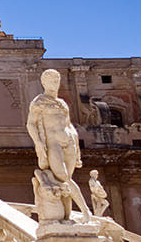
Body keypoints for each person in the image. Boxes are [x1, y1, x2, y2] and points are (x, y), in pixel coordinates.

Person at [26, 69, 92, 223]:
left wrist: (77, 146)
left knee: (64, 181)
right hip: (53, 143)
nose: (55, 84)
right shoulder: (39, 101)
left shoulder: (62, 103)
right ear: (44, 83)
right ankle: (85, 210)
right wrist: (38, 143)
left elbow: (69, 125)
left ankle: (66, 216)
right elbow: (31, 124)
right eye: (51, 81)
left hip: (69, 143)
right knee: (63, 177)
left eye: (57, 81)